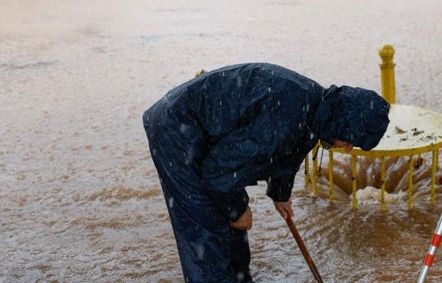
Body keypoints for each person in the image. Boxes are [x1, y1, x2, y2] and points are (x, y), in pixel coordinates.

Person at [142, 62, 391, 283]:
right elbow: (218, 172)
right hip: (176, 128)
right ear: (345, 122)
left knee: (234, 225)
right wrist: (238, 208)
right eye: (351, 139)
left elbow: (290, 152)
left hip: (210, 135)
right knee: (207, 232)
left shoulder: (317, 107)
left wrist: (280, 193)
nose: (347, 147)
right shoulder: (285, 117)